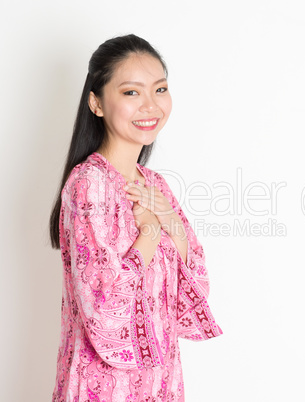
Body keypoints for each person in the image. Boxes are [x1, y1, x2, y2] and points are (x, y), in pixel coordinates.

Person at [49, 34, 222, 401]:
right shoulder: (88, 185)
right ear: (96, 103)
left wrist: (169, 221)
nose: (150, 106)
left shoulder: (154, 185)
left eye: (159, 90)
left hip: (160, 382)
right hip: (105, 386)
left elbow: (194, 290)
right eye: (131, 92)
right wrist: (148, 233)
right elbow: (102, 307)